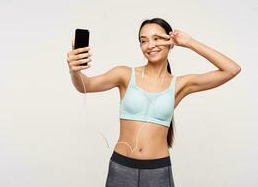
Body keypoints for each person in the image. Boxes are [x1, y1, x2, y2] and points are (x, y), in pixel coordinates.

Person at [66, 18, 241, 187]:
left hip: (158, 171)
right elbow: (85, 86)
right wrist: (74, 70)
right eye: (144, 41)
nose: (150, 45)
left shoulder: (180, 85)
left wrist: (189, 42)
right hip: (121, 168)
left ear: (171, 42)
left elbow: (231, 69)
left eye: (157, 38)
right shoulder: (124, 74)